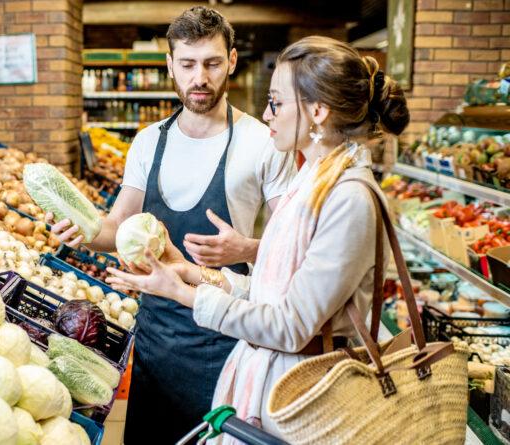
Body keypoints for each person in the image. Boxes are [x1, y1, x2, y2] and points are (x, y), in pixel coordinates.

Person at [106, 35, 410, 441]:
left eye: (277, 102)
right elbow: (271, 291)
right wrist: (190, 273)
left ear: (317, 111)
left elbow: (288, 326)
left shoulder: (349, 199)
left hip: (302, 398)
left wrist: (183, 294)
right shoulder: (313, 183)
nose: (267, 115)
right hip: (272, 384)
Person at [48, 6, 294, 444]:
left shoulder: (262, 142)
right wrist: (83, 230)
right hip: (156, 342)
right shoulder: (148, 142)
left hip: (229, 338)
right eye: (188, 64)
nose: (200, 77)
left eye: (212, 63)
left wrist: (248, 249)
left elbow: (290, 245)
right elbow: (116, 228)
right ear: (170, 66)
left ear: (232, 62)